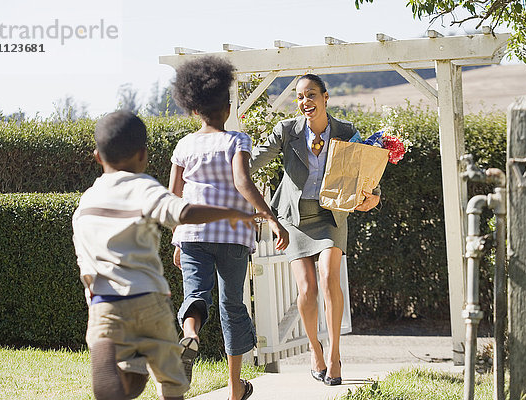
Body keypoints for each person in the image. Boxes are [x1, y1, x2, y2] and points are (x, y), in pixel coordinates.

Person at [72, 110, 264, 400]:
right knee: (171, 383)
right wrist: (233, 213)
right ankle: (153, 374)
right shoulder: (144, 188)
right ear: (143, 154)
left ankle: (130, 364)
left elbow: (84, 262)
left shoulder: (85, 205)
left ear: (98, 156)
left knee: (112, 382)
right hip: (149, 301)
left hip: (105, 304)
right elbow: (182, 211)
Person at [169, 55, 289, 400]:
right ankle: (235, 386)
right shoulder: (237, 140)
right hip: (233, 235)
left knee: (195, 294)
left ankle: (190, 334)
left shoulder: (183, 146)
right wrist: (271, 218)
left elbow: (173, 196)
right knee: (232, 304)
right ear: (228, 106)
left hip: (191, 234)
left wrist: (178, 240)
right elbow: (242, 182)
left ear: (194, 110)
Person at [250, 74, 380, 386]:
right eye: (300, 97)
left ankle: (334, 355)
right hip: (294, 218)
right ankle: (315, 349)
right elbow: (254, 161)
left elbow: (366, 171)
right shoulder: (286, 131)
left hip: (330, 217)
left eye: (311, 95)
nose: (305, 102)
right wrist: (226, 165)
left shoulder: (346, 132)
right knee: (307, 289)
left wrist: (374, 196)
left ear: (325, 98)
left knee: (327, 277)